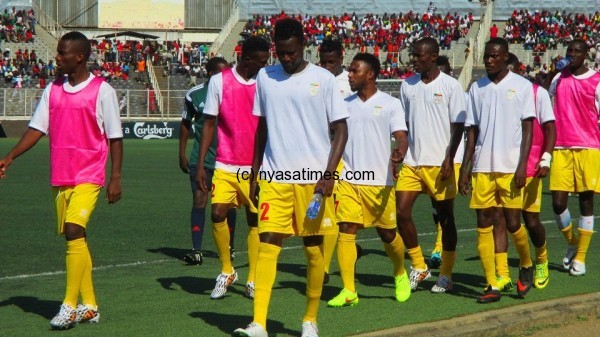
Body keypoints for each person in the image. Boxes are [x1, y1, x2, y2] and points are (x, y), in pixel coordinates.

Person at [233, 18, 348, 337]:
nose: (285, 59)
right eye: (281, 53)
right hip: (275, 178)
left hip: (313, 181)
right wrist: (255, 174)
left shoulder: (323, 79)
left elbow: (341, 130)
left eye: (291, 52)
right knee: (268, 241)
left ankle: (309, 320)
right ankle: (259, 323)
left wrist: (327, 175)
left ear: (302, 45)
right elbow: (262, 129)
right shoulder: (266, 79)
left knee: (313, 246)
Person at [0, 31, 123, 329]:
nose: (56, 57)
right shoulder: (52, 90)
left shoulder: (102, 91)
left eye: (62, 53)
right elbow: (37, 128)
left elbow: (116, 138)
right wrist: (11, 156)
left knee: (73, 230)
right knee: (77, 238)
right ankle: (90, 306)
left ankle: (68, 305)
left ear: (79, 56)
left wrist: (115, 177)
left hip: (89, 175)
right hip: (61, 176)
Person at [326, 52, 410, 308]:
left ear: (370, 74)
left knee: (387, 234)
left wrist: (400, 151)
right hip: (349, 179)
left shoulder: (390, 103)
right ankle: (349, 290)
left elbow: (401, 136)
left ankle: (399, 271)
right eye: (349, 70)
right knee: (346, 230)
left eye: (354, 70)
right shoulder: (344, 104)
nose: (349, 75)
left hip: (379, 181)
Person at [459, 37, 535, 304]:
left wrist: (522, 165)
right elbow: (472, 131)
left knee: (514, 223)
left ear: (505, 57)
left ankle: (526, 264)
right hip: (482, 167)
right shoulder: (476, 89)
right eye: (486, 57)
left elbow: (528, 130)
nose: (488, 61)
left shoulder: (523, 86)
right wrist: (465, 168)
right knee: (483, 223)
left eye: (494, 56)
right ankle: (491, 284)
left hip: (510, 167)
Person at [196, 36, 270, 299]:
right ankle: (227, 270)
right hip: (225, 163)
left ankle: (252, 278)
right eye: (261, 61)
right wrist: (202, 164)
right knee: (217, 214)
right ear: (247, 58)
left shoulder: (266, 82)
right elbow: (208, 123)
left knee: (254, 220)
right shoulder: (220, 81)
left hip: (256, 165)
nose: (265, 65)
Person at [395, 37, 466, 293]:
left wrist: (449, 158)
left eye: (418, 55)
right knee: (401, 212)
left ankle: (446, 274)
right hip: (413, 161)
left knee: (446, 218)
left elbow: (459, 126)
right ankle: (419, 264)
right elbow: (403, 123)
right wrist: (400, 152)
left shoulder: (450, 86)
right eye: (413, 54)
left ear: (433, 56)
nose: (414, 59)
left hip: (442, 163)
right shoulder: (407, 85)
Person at [490, 53, 556, 291]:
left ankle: (541, 259)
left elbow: (550, 128)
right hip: (502, 164)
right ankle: (504, 274)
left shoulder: (535, 92)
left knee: (530, 219)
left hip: (529, 166)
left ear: (517, 68)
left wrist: (546, 158)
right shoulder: (494, 90)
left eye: (510, 67)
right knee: (503, 219)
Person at [544, 39, 600, 276]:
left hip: (589, 146)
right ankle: (572, 243)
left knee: (586, 203)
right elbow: (544, 100)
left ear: (585, 55)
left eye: (577, 52)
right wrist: (553, 71)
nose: (573, 55)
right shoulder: (559, 78)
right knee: (558, 204)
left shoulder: (597, 80)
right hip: (561, 146)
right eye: (570, 51)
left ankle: (581, 258)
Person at [178, 56, 237, 265]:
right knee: (200, 201)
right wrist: (182, 153)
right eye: (223, 72)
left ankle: (229, 249)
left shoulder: (234, 90)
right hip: (201, 160)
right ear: (211, 74)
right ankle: (196, 250)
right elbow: (185, 124)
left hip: (228, 159)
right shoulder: (195, 95)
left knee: (227, 205)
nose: (227, 75)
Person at [318, 37, 360, 284]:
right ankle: (349, 252)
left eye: (331, 62)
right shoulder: (315, 79)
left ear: (341, 60)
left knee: (334, 213)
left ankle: (323, 269)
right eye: (323, 62)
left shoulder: (349, 83)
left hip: (346, 156)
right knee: (321, 212)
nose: (327, 67)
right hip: (320, 152)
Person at [427, 55, 464, 269]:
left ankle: (439, 249)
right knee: (436, 205)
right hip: (431, 158)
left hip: (453, 158)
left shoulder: (456, 92)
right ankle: (439, 246)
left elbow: (463, 128)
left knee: (445, 206)